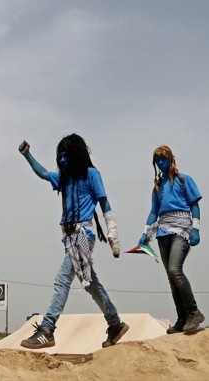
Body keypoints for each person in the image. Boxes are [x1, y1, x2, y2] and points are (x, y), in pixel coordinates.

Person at [17, 135, 128, 349]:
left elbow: (105, 203)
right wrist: (27, 155)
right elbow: (42, 173)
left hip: (83, 234)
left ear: (76, 155)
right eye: (59, 155)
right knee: (91, 285)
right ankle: (115, 323)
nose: (61, 158)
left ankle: (47, 329)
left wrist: (112, 233)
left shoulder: (92, 174)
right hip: (68, 237)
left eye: (65, 154)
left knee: (62, 279)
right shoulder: (64, 178)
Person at [138, 145, 205, 334]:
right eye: (157, 161)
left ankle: (194, 312)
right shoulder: (158, 186)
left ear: (171, 159)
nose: (160, 163)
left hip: (182, 228)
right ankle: (182, 318)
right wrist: (145, 233)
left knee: (176, 270)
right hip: (163, 231)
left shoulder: (184, 180)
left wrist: (196, 229)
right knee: (170, 277)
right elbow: (153, 212)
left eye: (163, 159)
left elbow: (194, 205)